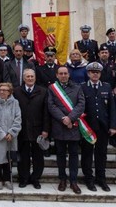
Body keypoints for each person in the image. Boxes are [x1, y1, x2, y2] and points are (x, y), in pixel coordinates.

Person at [47, 65, 85, 194]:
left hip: (73, 126)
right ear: (57, 75)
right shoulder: (52, 88)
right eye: (61, 73)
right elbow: (51, 105)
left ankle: (73, 181)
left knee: (74, 156)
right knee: (61, 155)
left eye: (65, 73)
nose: (63, 76)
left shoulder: (77, 87)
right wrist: (63, 119)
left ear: (69, 75)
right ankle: (62, 179)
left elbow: (81, 104)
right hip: (59, 126)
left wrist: (70, 118)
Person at [80, 62, 116, 192]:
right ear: (88, 73)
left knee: (101, 154)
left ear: (100, 74)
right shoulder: (82, 87)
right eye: (92, 72)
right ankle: (89, 179)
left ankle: (101, 179)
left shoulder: (106, 87)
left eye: (97, 72)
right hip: (87, 128)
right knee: (87, 154)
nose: (95, 74)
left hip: (103, 127)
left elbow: (112, 109)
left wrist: (113, 126)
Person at [13, 69, 49, 189]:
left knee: (38, 157)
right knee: (23, 156)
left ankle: (35, 178)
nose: (30, 78)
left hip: (37, 129)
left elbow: (46, 112)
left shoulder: (43, 91)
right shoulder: (17, 91)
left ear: (35, 78)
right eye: (27, 76)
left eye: (32, 76)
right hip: (21, 129)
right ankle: (23, 178)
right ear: (24, 78)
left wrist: (45, 129)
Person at [0, 82, 21, 190]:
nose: (2, 92)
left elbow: (18, 119)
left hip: (11, 136)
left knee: (8, 159)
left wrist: (11, 132)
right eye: (0, 90)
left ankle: (7, 179)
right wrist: (2, 134)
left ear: (10, 92)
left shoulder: (15, 102)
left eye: (5, 90)